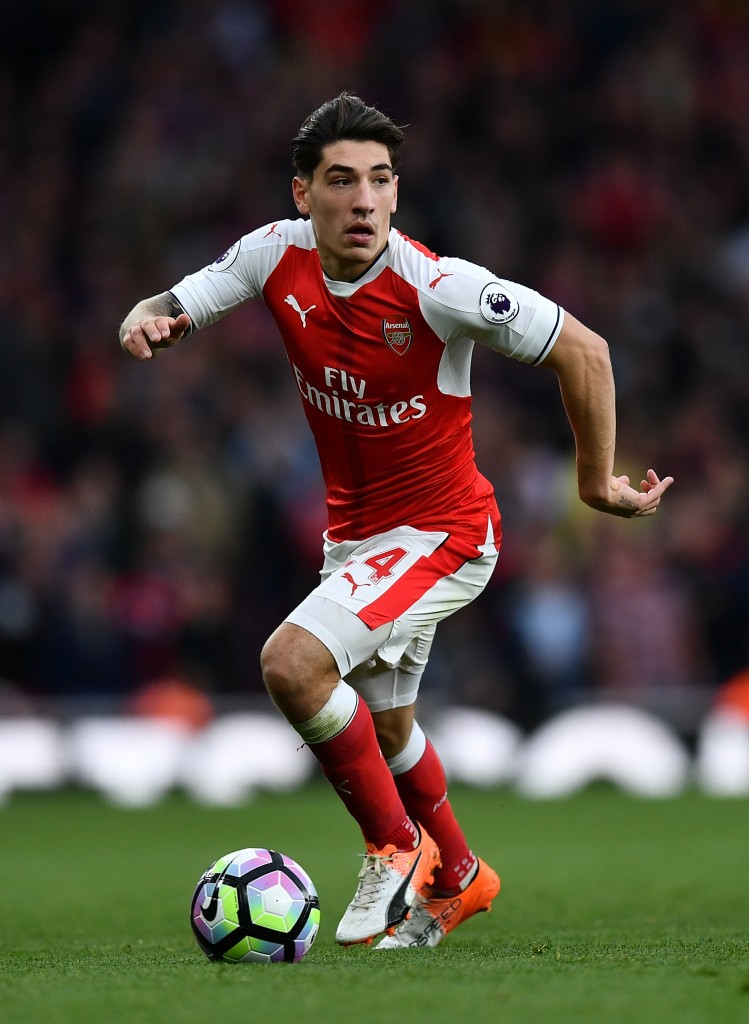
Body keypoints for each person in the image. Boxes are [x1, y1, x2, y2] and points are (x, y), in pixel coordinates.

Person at [120, 92, 673, 949]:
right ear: (302, 195)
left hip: (445, 535)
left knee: (292, 667)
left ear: (396, 193)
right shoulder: (273, 254)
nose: (364, 200)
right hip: (358, 541)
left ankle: (391, 846)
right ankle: (457, 875)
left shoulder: (438, 286)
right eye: (342, 181)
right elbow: (171, 299)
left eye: (380, 180)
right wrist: (145, 320)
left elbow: (585, 349)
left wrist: (595, 479)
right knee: (384, 726)